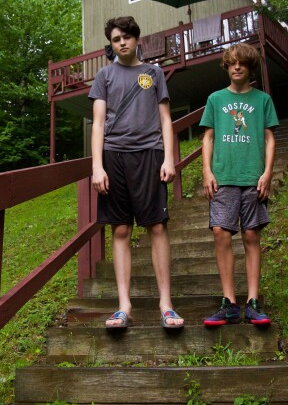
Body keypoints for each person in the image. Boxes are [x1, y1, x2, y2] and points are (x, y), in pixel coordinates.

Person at [89, 16, 184, 329]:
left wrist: (169, 159)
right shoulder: (104, 75)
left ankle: (166, 304)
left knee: (156, 227)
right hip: (114, 157)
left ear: (137, 39)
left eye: (127, 37)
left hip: (150, 155)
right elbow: (99, 123)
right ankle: (124, 305)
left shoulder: (153, 73)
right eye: (116, 39)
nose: (122, 43)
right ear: (112, 43)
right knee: (120, 230)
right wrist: (97, 166)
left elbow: (166, 119)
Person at [199, 43, 278, 326]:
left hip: (252, 176)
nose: (236, 67)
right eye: (232, 63)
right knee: (221, 232)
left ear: (249, 68)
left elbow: (269, 137)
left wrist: (268, 172)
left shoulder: (262, 100)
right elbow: (207, 137)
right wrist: (207, 170)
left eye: (242, 64)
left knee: (251, 236)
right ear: (226, 66)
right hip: (223, 176)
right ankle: (229, 302)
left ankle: (253, 302)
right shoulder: (215, 99)